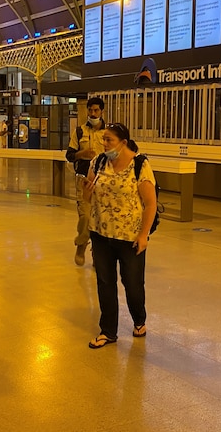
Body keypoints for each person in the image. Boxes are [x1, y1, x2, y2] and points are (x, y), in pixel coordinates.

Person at [82, 122, 157, 350]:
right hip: (101, 233)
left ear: (123, 143)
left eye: (109, 140)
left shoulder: (140, 165)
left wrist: (144, 234)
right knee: (105, 283)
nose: (104, 144)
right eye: (103, 139)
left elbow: (150, 203)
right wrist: (88, 189)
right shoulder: (99, 162)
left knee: (132, 284)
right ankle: (108, 331)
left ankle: (139, 320)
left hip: (129, 236)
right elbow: (87, 198)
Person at [66, 97, 107, 266]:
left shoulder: (109, 133)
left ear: (102, 111)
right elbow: (69, 155)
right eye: (90, 110)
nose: (92, 113)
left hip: (104, 180)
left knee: (101, 218)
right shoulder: (80, 131)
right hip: (83, 180)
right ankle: (81, 243)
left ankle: (98, 254)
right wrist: (82, 154)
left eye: (96, 110)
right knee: (85, 216)